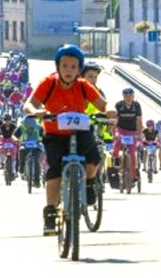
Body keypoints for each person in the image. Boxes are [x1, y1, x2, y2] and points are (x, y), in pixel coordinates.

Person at [23, 44, 115, 236]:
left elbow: (102, 104)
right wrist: (36, 112)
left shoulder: (83, 85)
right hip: (55, 134)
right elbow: (29, 104)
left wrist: (110, 110)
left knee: (93, 159)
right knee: (54, 171)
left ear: (79, 69)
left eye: (74, 67)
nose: (69, 70)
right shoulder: (48, 83)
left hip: (80, 130)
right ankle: (50, 212)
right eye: (65, 66)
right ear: (58, 67)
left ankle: (89, 183)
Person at [112, 88, 143, 185]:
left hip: (132, 131)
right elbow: (114, 120)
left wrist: (139, 133)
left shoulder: (137, 106)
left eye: (130, 96)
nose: (128, 98)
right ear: (123, 97)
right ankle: (116, 158)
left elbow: (139, 120)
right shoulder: (119, 105)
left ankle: (133, 176)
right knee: (117, 140)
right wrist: (113, 133)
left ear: (133, 97)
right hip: (121, 129)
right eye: (126, 96)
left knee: (132, 153)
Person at [14, 115, 44, 188]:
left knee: (37, 161)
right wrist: (16, 140)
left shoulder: (39, 128)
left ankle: (37, 181)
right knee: (21, 151)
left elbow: (45, 136)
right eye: (26, 124)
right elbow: (14, 136)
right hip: (25, 146)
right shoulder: (21, 127)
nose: (28, 126)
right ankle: (21, 169)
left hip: (36, 147)